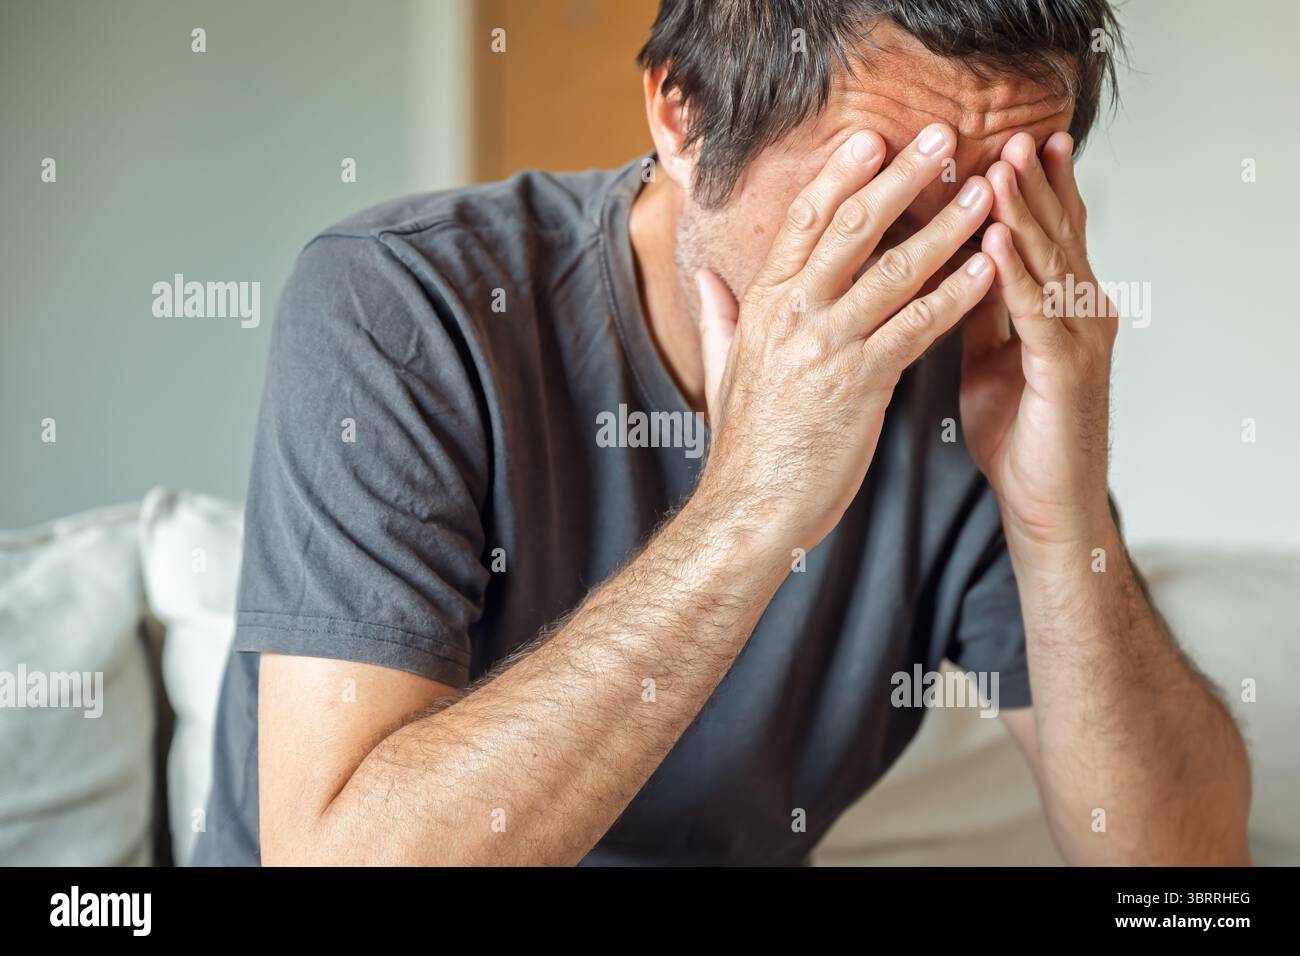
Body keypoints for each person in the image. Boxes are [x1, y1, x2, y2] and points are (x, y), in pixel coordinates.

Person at [196, 0, 1250, 866]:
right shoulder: (402, 302)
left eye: (988, 204)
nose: (932, 265)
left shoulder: (975, 372)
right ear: (682, 115)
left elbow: (1183, 872)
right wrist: (752, 505)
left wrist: (1059, 513)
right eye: (871, 195)